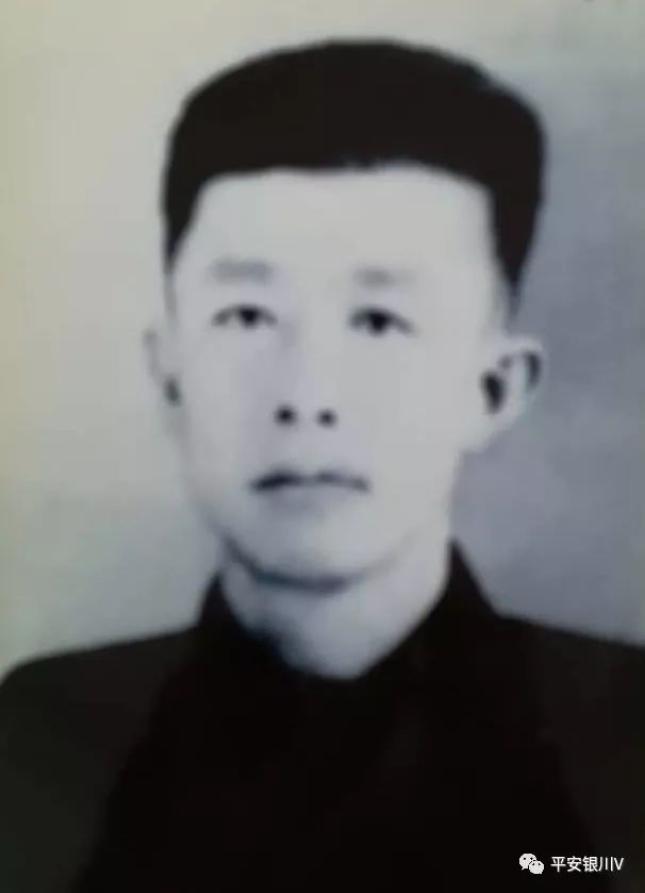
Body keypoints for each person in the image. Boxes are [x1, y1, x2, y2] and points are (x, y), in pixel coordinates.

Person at [0, 39, 643, 893]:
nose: (306, 397)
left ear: (491, 388)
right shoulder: (40, 737)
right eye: (246, 315)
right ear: (170, 373)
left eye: (378, 321)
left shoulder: (618, 744)